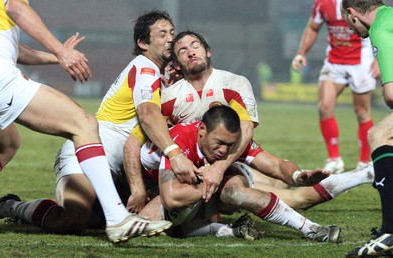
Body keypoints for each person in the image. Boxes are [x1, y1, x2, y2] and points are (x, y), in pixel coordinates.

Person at [126, 30, 376, 216]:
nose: (191, 51)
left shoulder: (235, 83)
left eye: (196, 45)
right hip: (194, 174)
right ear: (177, 64)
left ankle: (362, 173)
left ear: (208, 51)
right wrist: (140, 187)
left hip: (228, 164)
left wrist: (219, 168)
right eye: (182, 50)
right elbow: (139, 139)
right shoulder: (168, 97)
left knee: (295, 196)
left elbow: (246, 131)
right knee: (152, 218)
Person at [0, 3, 178, 244]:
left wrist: (55, 56)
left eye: (172, 34)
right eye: (162, 34)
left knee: (6, 143)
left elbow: (11, 47)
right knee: (83, 124)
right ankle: (117, 218)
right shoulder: (146, 69)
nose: (170, 40)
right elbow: (16, 8)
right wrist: (60, 51)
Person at [138, 105, 341, 242]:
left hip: (215, 187)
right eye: (219, 143)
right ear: (202, 129)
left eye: (230, 145)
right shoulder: (180, 139)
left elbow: (277, 165)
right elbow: (171, 197)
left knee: (235, 191)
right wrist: (206, 179)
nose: (224, 151)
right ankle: (230, 229)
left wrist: (298, 176)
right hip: (162, 191)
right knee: (148, 223)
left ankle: (310, 228)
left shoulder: (231, 142)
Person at [291, 0, 379, 173]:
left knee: (362, 112)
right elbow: (312, 28)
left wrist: (378, 58)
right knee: (324, 107)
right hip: (334, 62)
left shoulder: (362, 2)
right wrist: (301, 53)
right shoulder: (322, 3)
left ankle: (363, 162)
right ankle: (334, 159)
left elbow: (378, 28)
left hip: (361, 62)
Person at [341, 1, 393, 257]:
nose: (351, 30)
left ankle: (390, 233)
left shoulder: (381, 29)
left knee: (379, 134)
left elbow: (392, 96)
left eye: (347, 22)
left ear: (352, 13)